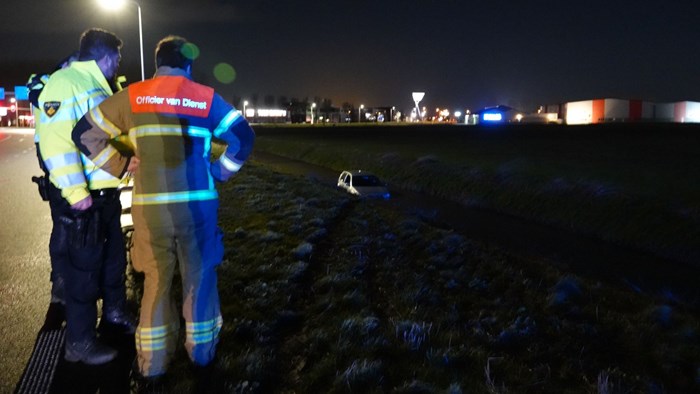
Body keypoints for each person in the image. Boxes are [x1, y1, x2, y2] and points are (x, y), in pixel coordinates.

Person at [71, 35, 255, 384]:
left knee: (155, 282)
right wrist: (220, 171)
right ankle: (202, 355)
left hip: (150, 213)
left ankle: (153, 364)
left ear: (157, 64)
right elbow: (244, 137)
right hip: (198, 210)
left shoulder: (133, 96)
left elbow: (83, 134)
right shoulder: (204, 97)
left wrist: (122, 165)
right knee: (199, 278)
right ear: (188, 65)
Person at [36, 27, 135, 365]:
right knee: (83, 273)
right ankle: (79, 342)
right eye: (117, 58)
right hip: (84, 200)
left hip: (105, 196)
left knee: (112, 263)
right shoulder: (65, 84)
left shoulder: (102, 85)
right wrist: (77, 192)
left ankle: (115, 316)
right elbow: (55, 144)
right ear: (105, 57)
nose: (119, 64)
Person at [28, 51, 79, 327]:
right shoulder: (43, 82)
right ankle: (59, 299)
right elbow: (39, 97)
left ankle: (94, 301)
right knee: (62, 236)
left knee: (87, 238)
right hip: (57, 174)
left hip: (85, 173)